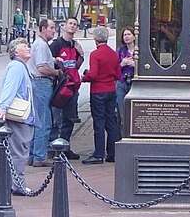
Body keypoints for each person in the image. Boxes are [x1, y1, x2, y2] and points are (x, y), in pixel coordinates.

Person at [0, 38, 35, 195]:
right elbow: (9, 87)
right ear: (16, 52)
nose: (28, 48)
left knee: (18, 150)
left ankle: (14, 183)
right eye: (24, 46)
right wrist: (3, 107)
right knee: (19, 151)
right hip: (20, 117)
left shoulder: (20, 66)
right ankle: (18, 185)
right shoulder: (17, 67)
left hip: (23, 117)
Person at [81, 26, 121, 164]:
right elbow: (118, 74)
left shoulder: (95, 54)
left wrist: (84, 77)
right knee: (111, 121)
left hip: (98, 91)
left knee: (99, 122)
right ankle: (112, 153)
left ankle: (98, 153)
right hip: (111, 90)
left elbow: (93, 74)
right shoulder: (114, 54)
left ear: (95, 39)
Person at [28, 18, 63, 167]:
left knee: (37, 120)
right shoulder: (42, 46)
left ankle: (32, 154)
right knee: (44, 121)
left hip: (37, 83)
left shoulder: (40, 45)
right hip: (42, 83)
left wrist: (53, 59)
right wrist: (56, 72)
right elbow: (41, 67)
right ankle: (40, 156)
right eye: (51, 27)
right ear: (42, 29)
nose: (53, 30)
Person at [49, 16, 84, 159]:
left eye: (75, 24)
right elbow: (49, 63)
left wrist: (81, 54)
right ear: (64, 26)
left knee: (69, 118)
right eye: (70, 23)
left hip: (72, 87)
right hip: (59, 87)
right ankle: (51, 146)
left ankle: (65, 146)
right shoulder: (56, 45)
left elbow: (76, 66)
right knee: (55, 118)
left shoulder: (75, 45)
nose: (72, 26)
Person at [116, 26, 135, 137]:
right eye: (124, 35)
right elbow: (114, 69)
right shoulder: (120, 51)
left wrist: (135, 65)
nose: (126, 37)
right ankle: (124, 137)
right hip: (122, 84)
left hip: (135, 84)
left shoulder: (139, 51)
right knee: (123, 114)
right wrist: (122, 64)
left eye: (129, 34)